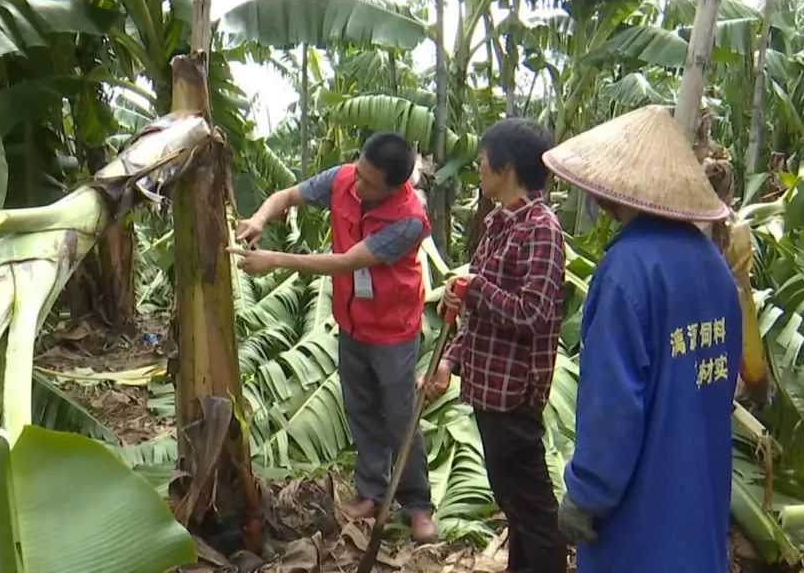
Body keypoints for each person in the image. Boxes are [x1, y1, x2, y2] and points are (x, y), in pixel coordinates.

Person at [542, 105, 743, 573]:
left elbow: (613, 407)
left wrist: (587, 493)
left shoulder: (627, 271)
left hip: (640, 518)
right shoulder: (713, 265)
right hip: (699, 501)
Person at [230, 132, 437, 542]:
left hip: (392, 328)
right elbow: (287, 196)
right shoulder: (344, 178)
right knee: (360, 409)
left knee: (399, 418)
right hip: (351, 320)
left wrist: (275, 260)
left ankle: (417, 504)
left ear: (396, 186)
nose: (358, 186)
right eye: (359, 173)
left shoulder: (409, 220)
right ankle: (372, 491)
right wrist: (259, 218)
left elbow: (346, 262)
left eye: (370, 184)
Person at [420, 118, 568, 573]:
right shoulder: (499, 223)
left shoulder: (541, 229)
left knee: (532, 507)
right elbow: (481, 311)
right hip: (487, 388)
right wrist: (449, 359)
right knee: (514, 502)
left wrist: (476, 287)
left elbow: (533, 313)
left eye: (485, 159)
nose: (479, 167)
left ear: (506, 168)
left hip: (514, 393)